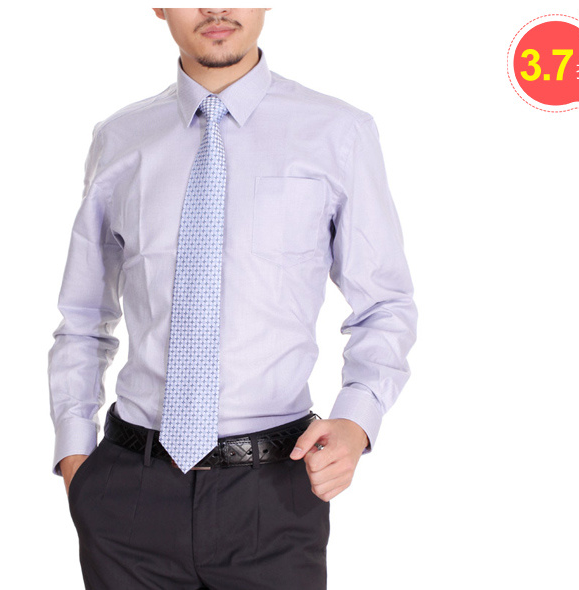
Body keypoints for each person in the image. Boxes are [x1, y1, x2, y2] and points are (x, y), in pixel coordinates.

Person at [48, 8, 417, 589]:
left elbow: (385, 305)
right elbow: (84, 316)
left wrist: (355, 419)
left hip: (275, 493)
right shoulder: (119, 140)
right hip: (129, 495)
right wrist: (76, 457)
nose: (216, 8)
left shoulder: (338, 133)